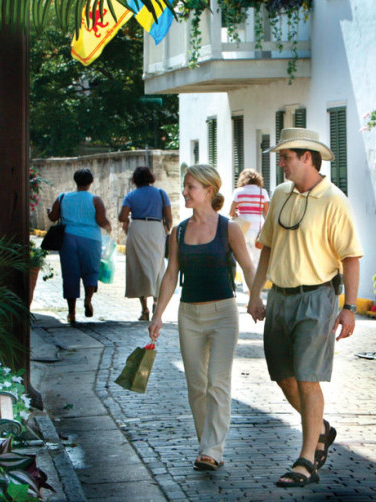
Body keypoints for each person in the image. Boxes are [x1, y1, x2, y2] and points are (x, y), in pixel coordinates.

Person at [247, 128, 363, 488]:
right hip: (280, 297)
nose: (280, 163)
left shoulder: (334, 200)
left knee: (308, 378)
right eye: (280, 157)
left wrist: (350, 308)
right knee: (284, 376)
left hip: (317, 298)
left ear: (307, 158)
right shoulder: (280, 194)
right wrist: (255, 293)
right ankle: (322, 430)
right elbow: (266, 246)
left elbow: (351, 257)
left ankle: (306, 460)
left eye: (285, 157)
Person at [148, 164, 256, 472]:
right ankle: (205, 444)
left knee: (217, 382)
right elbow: (170, 276)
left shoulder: (229, 228)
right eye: (185, 186)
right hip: (189, 315)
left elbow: (248, 267)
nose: (184, 192)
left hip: (223, 314)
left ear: (209, 191)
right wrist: (158, 315)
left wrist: (256, 298)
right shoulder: (178, 232)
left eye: (190, 187)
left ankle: (212, 450)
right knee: (196, 384)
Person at [47, 168, 112, 324]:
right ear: (91, 182)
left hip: (68, 239)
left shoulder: (63, 197)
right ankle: (88, 300)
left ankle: (71, 313)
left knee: (70, 274)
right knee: (91, 271)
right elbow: (101, 221)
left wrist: (49, 211)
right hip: (91, 239)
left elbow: (53, 217)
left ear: (75, 181)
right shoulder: (95, 200)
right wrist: (109, 229)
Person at [118, 166, 173, 321]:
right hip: (156, 228)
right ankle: (156, 300)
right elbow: (168, 217)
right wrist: (166, 230)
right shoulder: (161, 194)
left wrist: (127, 220)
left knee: (139, 266)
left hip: (138, 228)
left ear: (134, 180)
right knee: (157, 264)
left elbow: (122, 217)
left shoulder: (131, 195)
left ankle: (144, 309)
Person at [229, 168, 269, 268]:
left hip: (242, 229)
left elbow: (230, 212)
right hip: (259, 229)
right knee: (257, 260)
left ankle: (246, 284)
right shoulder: (262, 192)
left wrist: (237, 215)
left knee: (244, 261)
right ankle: (255, 283)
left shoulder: (237, 192)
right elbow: (267, 213)